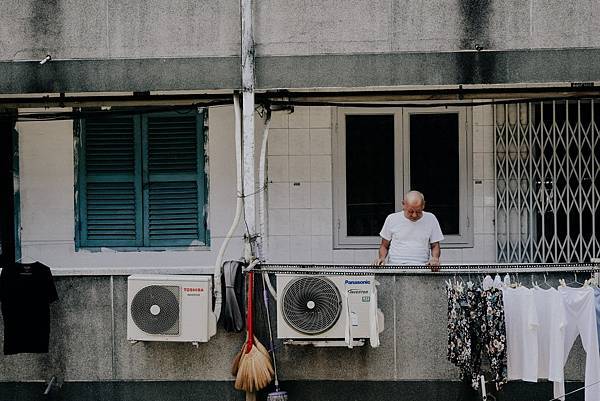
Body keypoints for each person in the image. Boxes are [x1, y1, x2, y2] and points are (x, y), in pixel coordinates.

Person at [376, 190, 444, 269]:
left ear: (423, 205)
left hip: (421, 266)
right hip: (395, 266)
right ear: (403, 205)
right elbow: (384, 245)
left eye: (418, 211)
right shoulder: (392, 219)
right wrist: (381, 258)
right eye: (410, 211)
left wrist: (435, 259)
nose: (414, 215)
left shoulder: (431, 218)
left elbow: (435, 245)